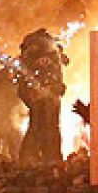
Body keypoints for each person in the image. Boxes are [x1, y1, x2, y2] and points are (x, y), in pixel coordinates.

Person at [18, 28, 67, 166]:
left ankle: (37, 157)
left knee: (41, 124)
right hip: (42, 93)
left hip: (45, 92)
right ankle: (46, 157)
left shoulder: (36, 51)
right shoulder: (41, 52)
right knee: (44, 125)